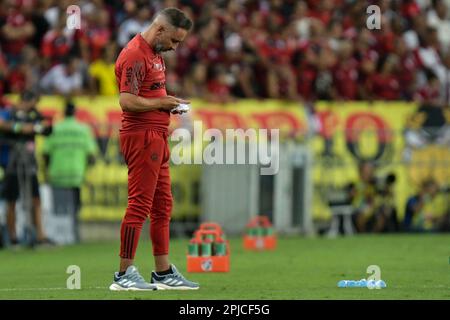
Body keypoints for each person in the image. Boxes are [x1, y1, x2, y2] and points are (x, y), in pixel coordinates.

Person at [110, 7, 198, 291]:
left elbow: (149, 94)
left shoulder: (155, 54)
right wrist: (161, 104)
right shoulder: (136, 54)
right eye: (174, 40)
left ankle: (162, 272)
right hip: (141, 136)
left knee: (163, 205)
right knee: (139, 204)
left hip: (157, 135)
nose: (175, 47)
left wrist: (168, 103)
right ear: (160, 30)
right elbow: (127, 101)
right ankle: (123, 274)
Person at [0, 90, 52, 246]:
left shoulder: (34, 115)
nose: (34, 107)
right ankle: (13, 237)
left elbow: (46, 128)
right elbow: (3, 125)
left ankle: (39, 236)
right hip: (12, 162)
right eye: (32, 103)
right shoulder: (10, 113)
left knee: (35, 199)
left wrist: (33, 128)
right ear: (25, 101)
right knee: (12, 200)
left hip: (29, 162)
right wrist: (21, 128)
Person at [42, 101, 97, 243]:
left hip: (57, 174)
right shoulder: (83, 129)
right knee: (75, 208)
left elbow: (45, 153)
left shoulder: (55, 128)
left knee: (59, 210)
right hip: (77, 174)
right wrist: (86, 169)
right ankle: (74, 235)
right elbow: (91, 155)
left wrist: (46, 170)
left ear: (63, 112)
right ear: (75, 112)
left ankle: (60, 237)